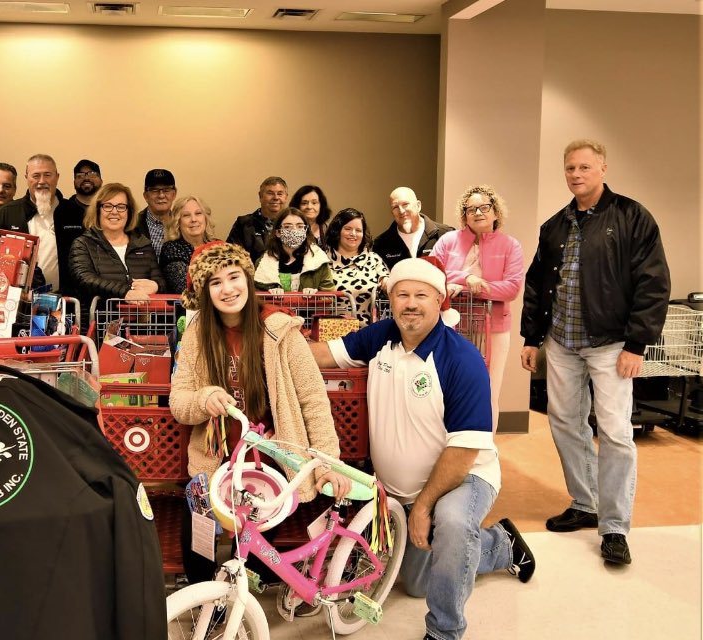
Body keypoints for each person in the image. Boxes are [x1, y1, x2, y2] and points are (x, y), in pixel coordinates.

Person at [312, 256, 535, 640]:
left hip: (463, 478)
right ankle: (501, 544)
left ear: (440, 301)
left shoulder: (461, 359)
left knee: (451, 523)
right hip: (402, 491)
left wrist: (426, 506)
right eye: (402, 294)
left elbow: (464, 452)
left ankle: (444, 631)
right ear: (391, 300)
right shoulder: (379, 336)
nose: (410, 303)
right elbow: (321, 355)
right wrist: (270, 338)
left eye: (421, 295)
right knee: (416, 583)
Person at [169, 241, 350, 609]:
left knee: (261, 558)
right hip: (217, 459)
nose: (228, 289)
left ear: (249, 280)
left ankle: (251, 596)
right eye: (215, 282)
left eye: (234, 277)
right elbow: (179, 402)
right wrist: (206, 398)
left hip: (272, 460)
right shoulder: (197, 332)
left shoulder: (279, 331)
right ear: (204, 291)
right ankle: (207, 604)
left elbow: (313, 400)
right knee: (198, 528)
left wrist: (328, 463)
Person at [520, 139, 670, 566]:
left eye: (585, 166)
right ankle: (585, 503)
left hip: (611, 345)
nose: (576, 174)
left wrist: (637, 344)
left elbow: (653, 282)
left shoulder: (631, 217)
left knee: (617, 433)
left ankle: (615, 526)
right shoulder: (554, 226)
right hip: (562, 344)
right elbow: (536, 285)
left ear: (603, 168)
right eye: (570, 168)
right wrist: (532, 337)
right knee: (566, 424)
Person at [432, 185, 524, 430]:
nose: (478, 212)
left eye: (484, 207)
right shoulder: (447, 241)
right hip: (451, 326)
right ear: (464, 215)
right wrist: (467, 278)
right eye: (471, 209)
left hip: (493, 328)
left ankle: (484, 450)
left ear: (495, 213)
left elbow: (512, 288)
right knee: (447, 388)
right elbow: (433, 272)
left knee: (488, 389)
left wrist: (472, 287)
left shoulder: (510, 245)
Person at [0, 154, 84, 296]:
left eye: (47, 175)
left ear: (57, 177)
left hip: (69, 300)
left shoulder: (75, 213)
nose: (42, 181)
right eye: (36, 176)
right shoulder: (7, 214)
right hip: (20, 302)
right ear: (26, 178)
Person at [68, 182, 165, 309]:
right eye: (107, 206)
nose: (114, 212)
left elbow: (162, 282)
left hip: (141, 324)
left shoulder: (143, 243)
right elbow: (86, 279)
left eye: (121, 207)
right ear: (97, 211)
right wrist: (125, 292)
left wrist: (156, 286)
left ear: (129, 212)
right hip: (99, 323)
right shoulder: (83, 244)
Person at [323, 208, 389, 326]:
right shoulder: (323, 260)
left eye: (358, 230)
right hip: (333, 334)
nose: (353, 234)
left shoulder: (373, 259)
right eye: (348, 229)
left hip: (368, 334)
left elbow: (386, 280)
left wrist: (387, 282)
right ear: (337, 231)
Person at [254, 208, 335, 294]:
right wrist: (269, 294)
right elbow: (255, 299)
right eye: (288, 226)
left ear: (305, 230)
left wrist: (316, 296)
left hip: (309, 308)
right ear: (278, 232)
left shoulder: (319, 260)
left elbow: (330, 298)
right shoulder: (263, 263)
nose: (294, 231)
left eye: (300, 226)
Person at [372, 186, 453, 270]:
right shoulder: (381, 244)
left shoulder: (445, 234)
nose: (401, 211)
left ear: (418, 206)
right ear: (392, 212)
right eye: (395, 207)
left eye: (405, 204)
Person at [159, 195, 216, 295]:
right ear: (178, 222)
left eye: (198, 213)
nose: (193, 219)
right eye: (186, 215)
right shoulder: (171, 248)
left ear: (205, 218)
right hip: (187, 309)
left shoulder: (218, 246)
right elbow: (186, 288)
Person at [227, 176, 288, 263]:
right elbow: (232, 257)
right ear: (260, 196)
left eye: (280, 193)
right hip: (254, 275)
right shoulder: (243, 224)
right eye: (270, 193)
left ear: (286, 197)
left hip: (287, 275)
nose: (275, 197)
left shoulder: (295, 225)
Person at [133, 169, 177, 258]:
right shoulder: (132, 225)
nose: (161, 195)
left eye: (166, 190)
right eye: (154, 190)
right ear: (145, 196)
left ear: (174, 194)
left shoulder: (182, 223)